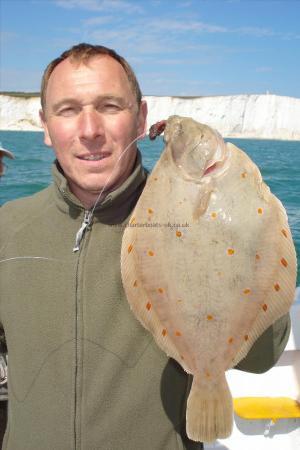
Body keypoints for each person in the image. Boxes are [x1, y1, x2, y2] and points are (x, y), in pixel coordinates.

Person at [0, 43, 291, 450]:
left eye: (109, 106)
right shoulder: (8, 227)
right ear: (45, 126)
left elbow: (263, 358)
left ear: (140, 119)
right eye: (67, 110)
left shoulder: (190, 210)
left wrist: (248, 228)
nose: (89, 130)